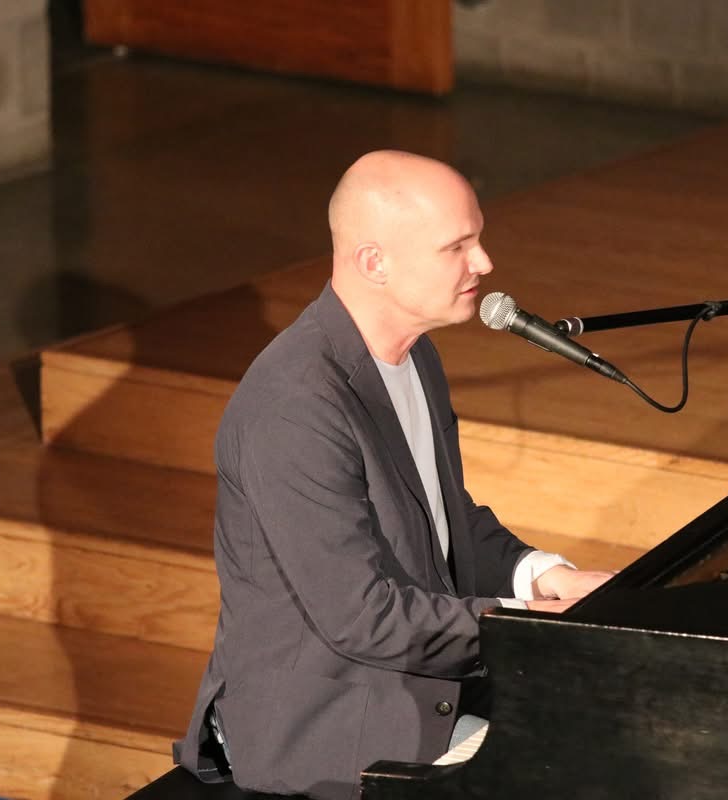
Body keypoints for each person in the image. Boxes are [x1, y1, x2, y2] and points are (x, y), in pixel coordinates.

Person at [174, 150, 613, 799]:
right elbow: (364, 617)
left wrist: (547, 575)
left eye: (479, 238)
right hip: (328, 731)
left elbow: (443, 517)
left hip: (415, 685)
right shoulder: (294, 408)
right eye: (457, 245)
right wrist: (532, 624)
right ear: (374, 262)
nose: (485, 264)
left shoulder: (415, 356)